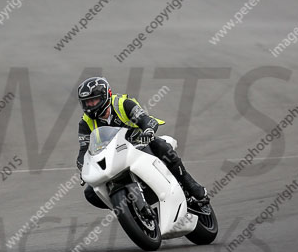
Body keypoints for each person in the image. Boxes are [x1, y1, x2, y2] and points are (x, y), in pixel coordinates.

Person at [76, 76, 209, 210]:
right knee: (90, 193)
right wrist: (83, 168)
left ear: (106, 96)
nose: (90, 105)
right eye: (87, 102)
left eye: (94, 100)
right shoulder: (85, 123)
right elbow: (83, 150)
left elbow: (145, 119)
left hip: (138, 144)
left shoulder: (123, 104)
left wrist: (148, 130)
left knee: (162, 146)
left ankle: (189, 184)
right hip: (112, 157)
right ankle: (127, 211)